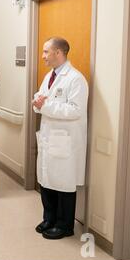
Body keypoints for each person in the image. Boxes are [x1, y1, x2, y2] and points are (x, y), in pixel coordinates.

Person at [33, 37, 89, 240]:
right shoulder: (50, 75)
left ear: (59, 53)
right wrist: (38, 102)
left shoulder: (75, 79)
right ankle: (49, 219)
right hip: (50, 136)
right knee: (47, 179)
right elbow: (40, 97)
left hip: (64, 139)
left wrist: (44, 106)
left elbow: (76, 110)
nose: (43, 56)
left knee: (63, 183)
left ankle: (65, 225)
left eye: (46, 52)